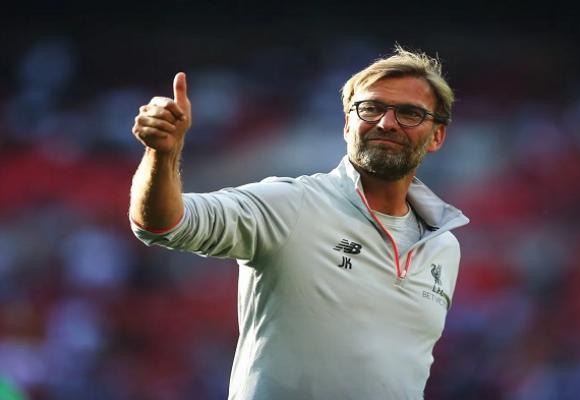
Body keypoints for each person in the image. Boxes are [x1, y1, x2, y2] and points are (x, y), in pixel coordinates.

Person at [129, 46, 469, 400]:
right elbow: (163, 224)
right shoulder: (290, 203)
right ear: (347, 124)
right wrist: (162, 155)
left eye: (410, 113)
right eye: (371, 108)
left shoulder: (442, 245)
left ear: (437, 136)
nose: (386, 123)